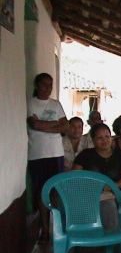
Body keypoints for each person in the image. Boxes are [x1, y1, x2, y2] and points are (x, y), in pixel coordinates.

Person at [72, 123, 121, 253]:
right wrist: (91, 187)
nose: (104, 140)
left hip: (111, 194)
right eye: (99, 137)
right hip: (86, 194)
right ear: (92, 139)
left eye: (107, 136)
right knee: (65, 210)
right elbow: (74, 176)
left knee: (109, 207)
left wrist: (110, 186)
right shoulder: (85, 155)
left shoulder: (120, 156)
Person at [27, 73, 68, 242]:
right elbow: (34, 124)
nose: (48, 88)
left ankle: (57, 226)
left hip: (56, 154)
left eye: (50, 85)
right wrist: (56, 126)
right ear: (37, 85)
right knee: (42, 192)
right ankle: (45, 229)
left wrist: (45, 127)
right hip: (38, 155)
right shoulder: (31, 103)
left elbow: (65, 125)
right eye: (44, 84)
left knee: (56, 192)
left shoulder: (56, 104)